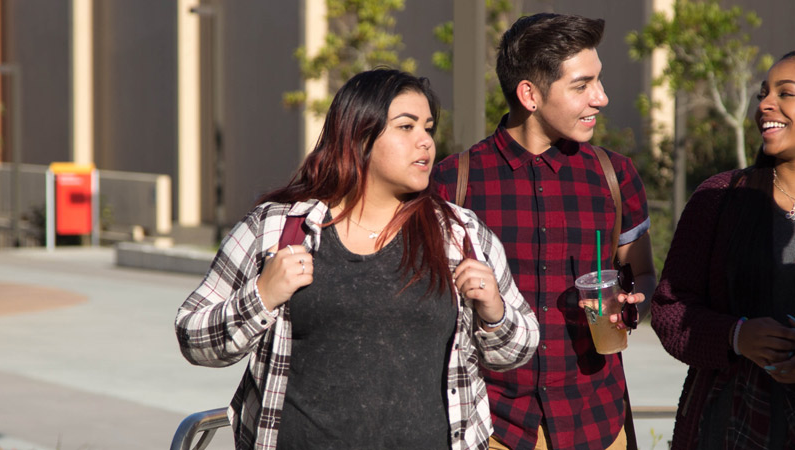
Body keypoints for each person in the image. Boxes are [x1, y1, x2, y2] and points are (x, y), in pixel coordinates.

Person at [176, 69, 540, 450]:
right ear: (360, 135)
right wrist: (262, 297)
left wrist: (494, 311)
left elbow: (518, 350)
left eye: (428, 128)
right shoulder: (277, 228)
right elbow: (192, 336)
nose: (426, 143)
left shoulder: (460, 233)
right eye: (406, 127)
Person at [432, 13, 655, 450]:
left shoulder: (615, 175)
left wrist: (630, 307)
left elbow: (643, 277)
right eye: (582, 85)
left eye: (600, 81)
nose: (602, 98)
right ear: (529, 94)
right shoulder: (451, 183)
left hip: (597, 422)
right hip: (490, 424)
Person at [650, 50, 795, 450]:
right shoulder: (719, 196)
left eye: (787, 94)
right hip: (724, 426)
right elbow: (668, 308)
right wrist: (737, 336)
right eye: (764, 94)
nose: (766, 104)